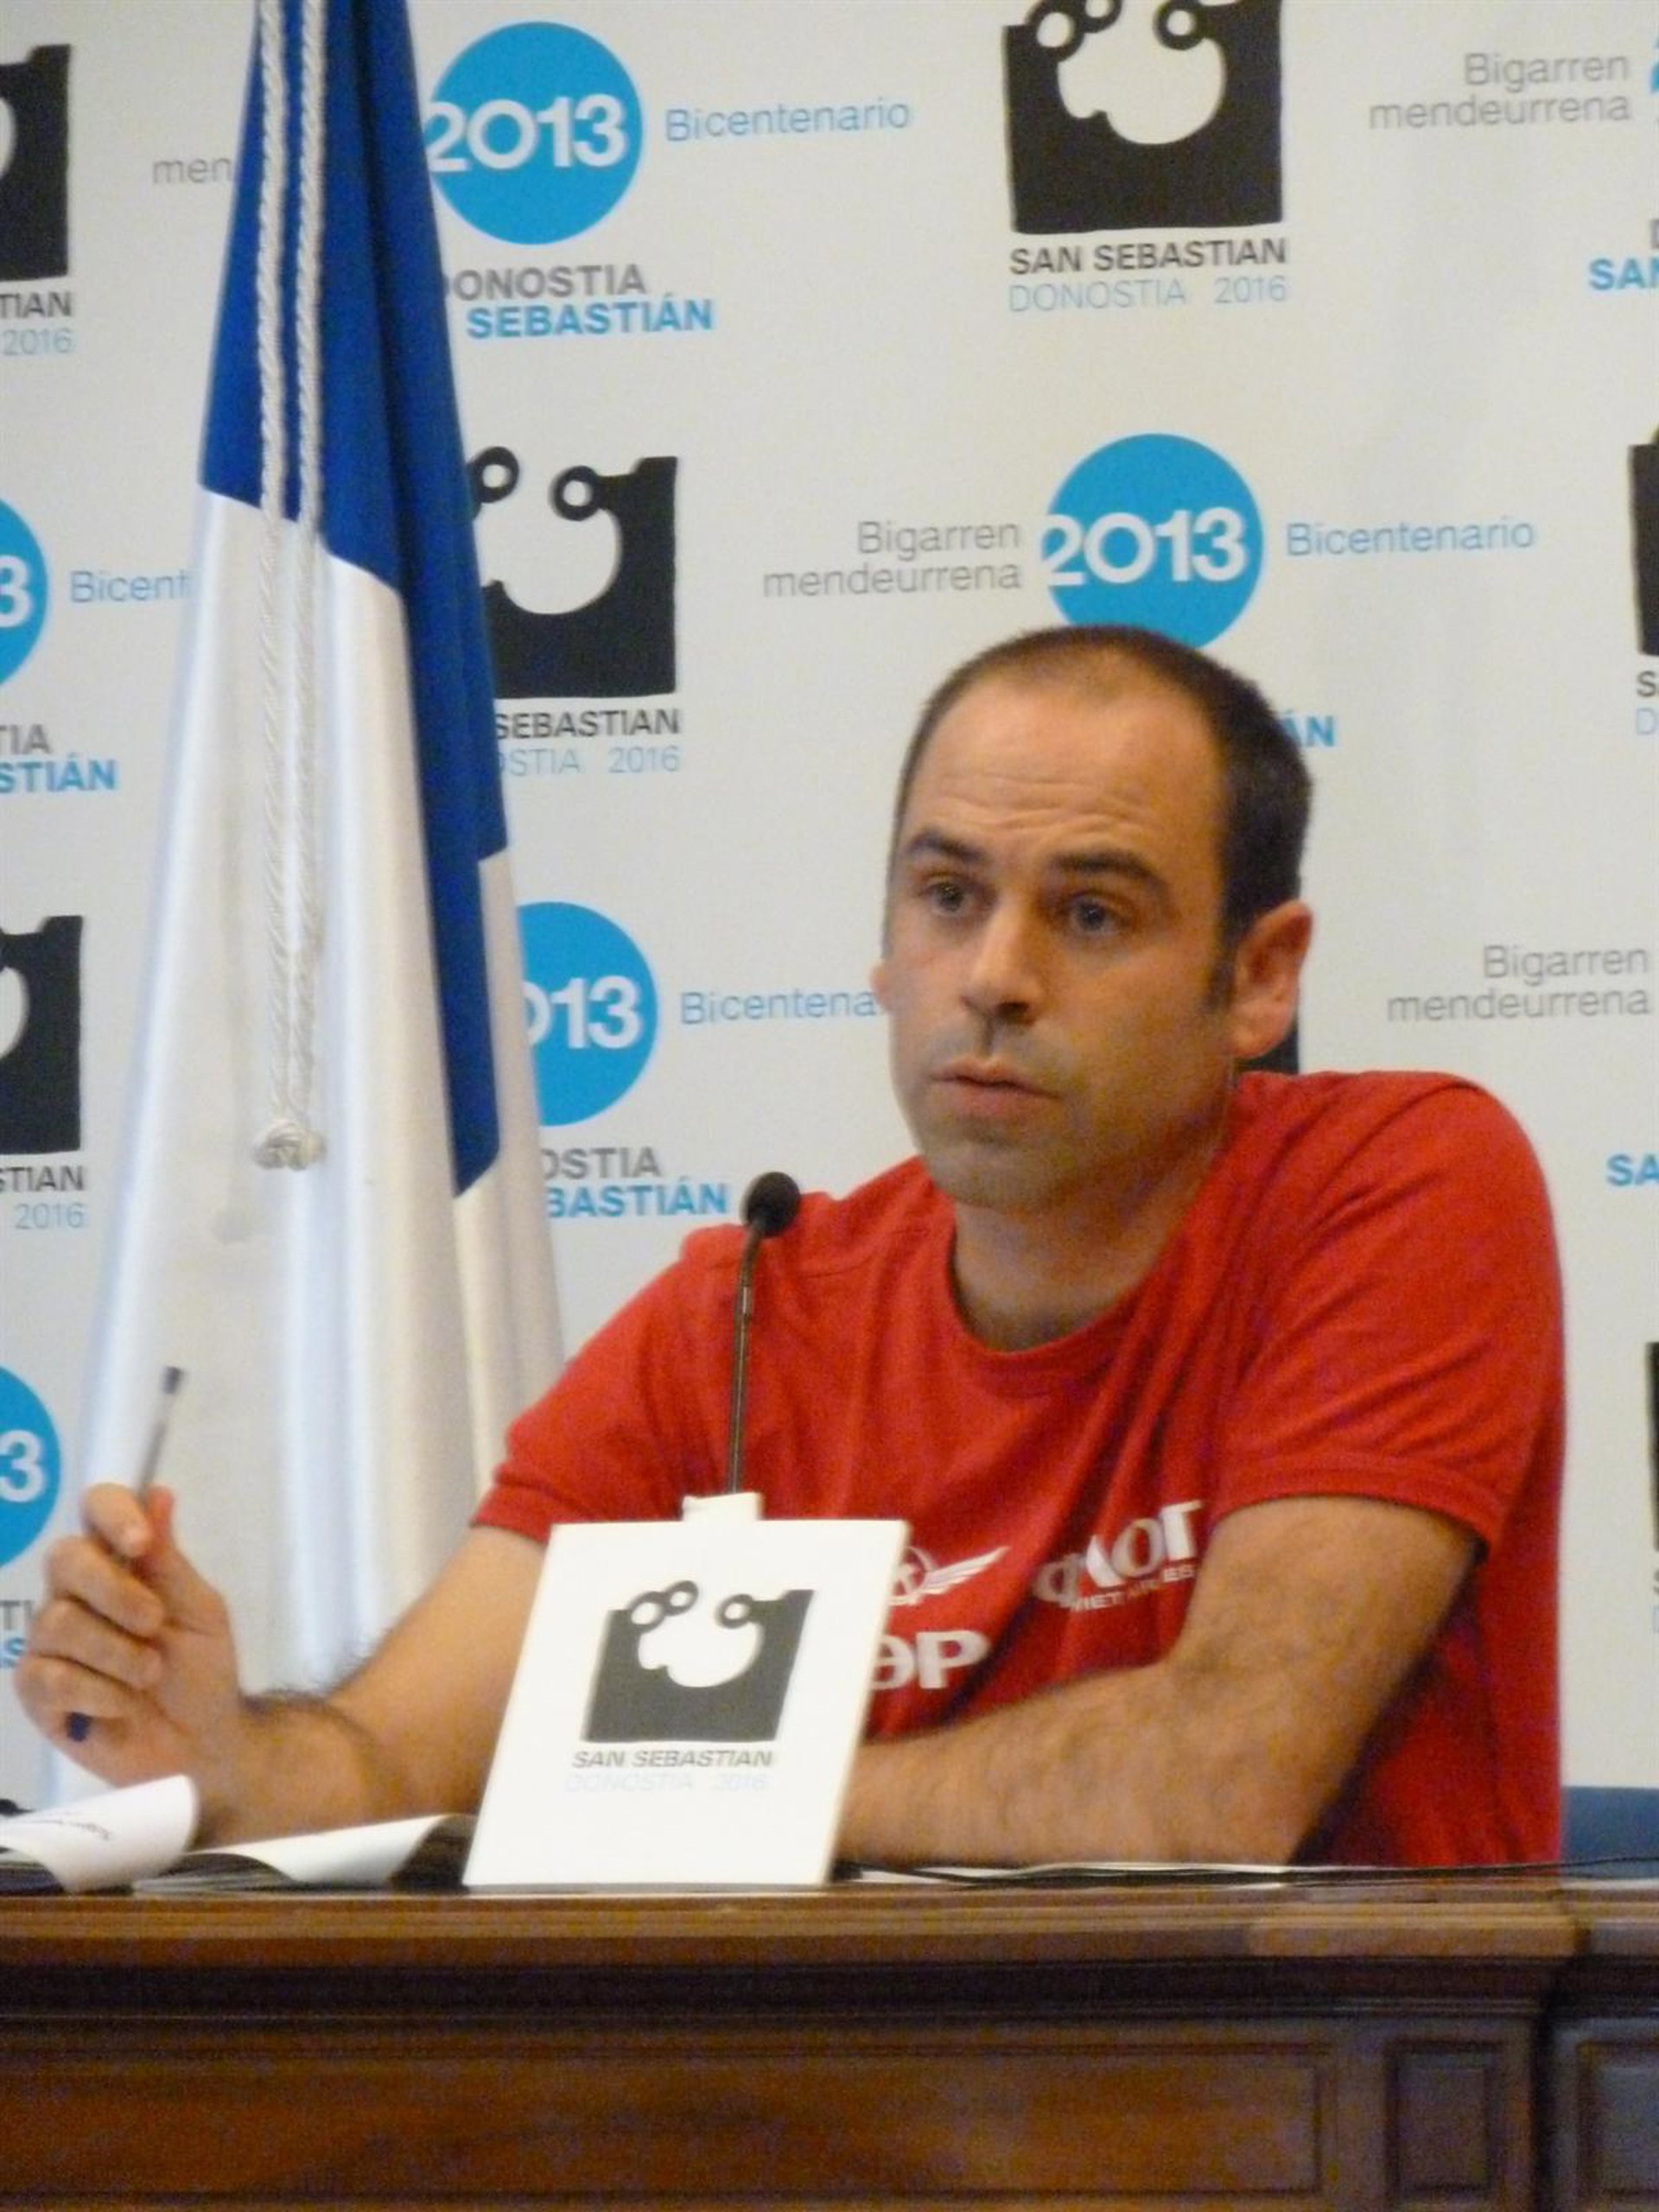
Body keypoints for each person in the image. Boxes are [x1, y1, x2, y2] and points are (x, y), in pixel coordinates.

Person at [18, 625, 1563, 1866]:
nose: (995, 974)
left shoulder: (1400, 1185)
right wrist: (225, 1757)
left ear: (1261, 977)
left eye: (1093, 915)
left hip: (1311, 2105)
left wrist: (681, 1802)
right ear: (886, 946)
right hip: (850, 2108)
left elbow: (1214, 1785)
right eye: (947, 896)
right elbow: (390, 1761)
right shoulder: (752, 1309)